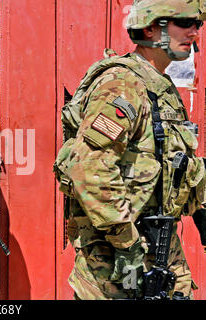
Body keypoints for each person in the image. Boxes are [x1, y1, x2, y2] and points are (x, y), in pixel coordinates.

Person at [54, 0, 205, 300]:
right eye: (185, 23)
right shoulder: (122, 83)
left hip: (159, 248)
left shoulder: (161, 88)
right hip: (116, 258)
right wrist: (127, 245)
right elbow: (89, 167)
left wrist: (200, 211)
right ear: (150, 29)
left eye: (197, 25)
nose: (194, 32)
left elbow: (175, 165)